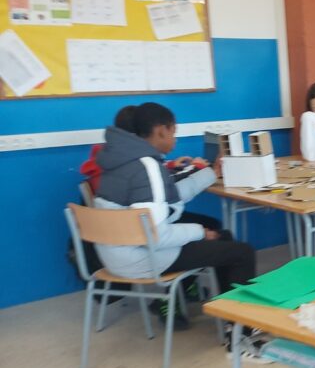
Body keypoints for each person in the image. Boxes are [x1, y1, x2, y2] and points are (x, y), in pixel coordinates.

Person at [93, 103, 256, 304]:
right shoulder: (147, 167)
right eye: (173, 132)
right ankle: (238, 321)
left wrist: (212, 173)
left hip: (115, 253)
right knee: (242, 253)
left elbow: (171, 196)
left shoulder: (120, 160)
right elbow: (156, 236)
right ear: (161, 131)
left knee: (224, 237)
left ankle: (224, 311)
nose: (175, 139)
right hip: (140, 257)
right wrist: (200, 232)